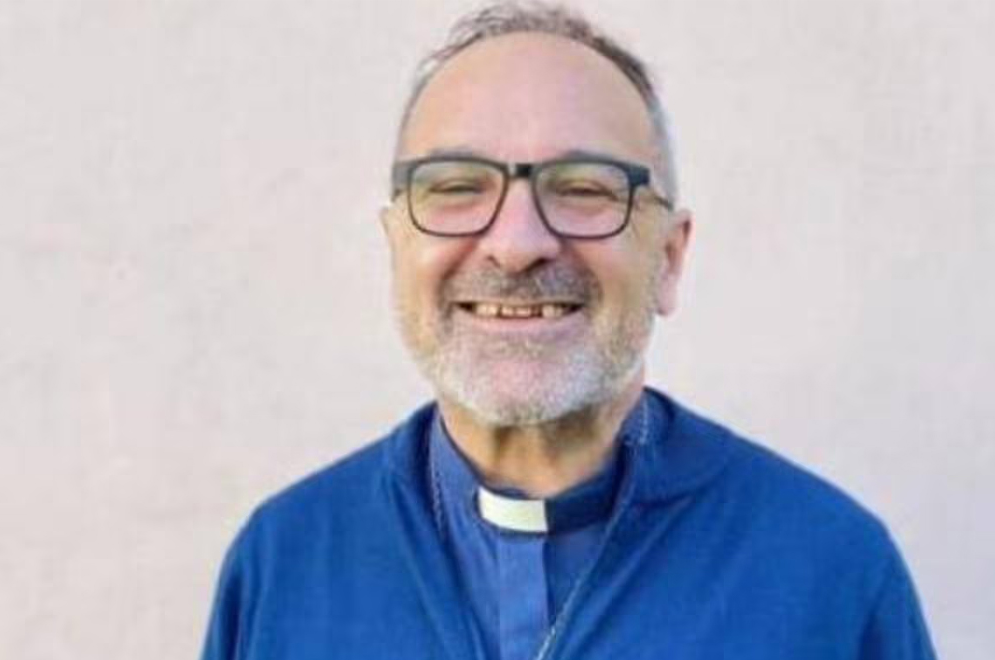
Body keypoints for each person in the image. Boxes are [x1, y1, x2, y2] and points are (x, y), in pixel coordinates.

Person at [200, 3, 937, 659]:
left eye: (584, 188)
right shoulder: (284, 564)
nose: (517, 244)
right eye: (456, 187)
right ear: (397, 247)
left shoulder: (828, 572)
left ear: (669, 258)